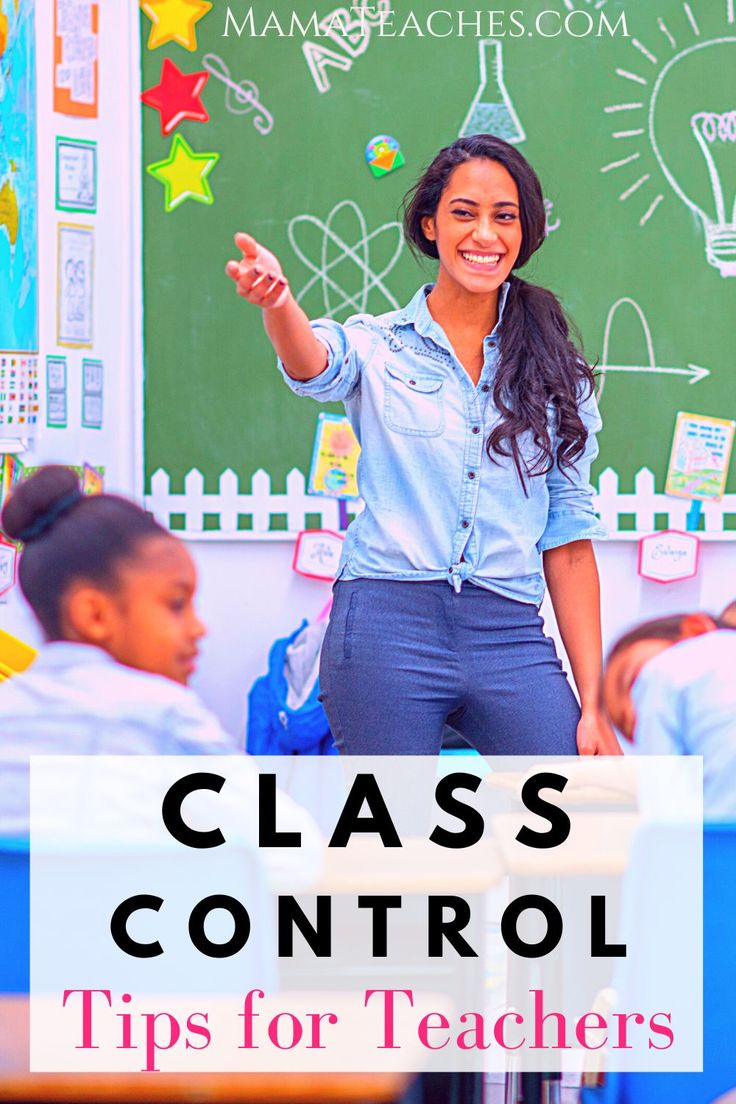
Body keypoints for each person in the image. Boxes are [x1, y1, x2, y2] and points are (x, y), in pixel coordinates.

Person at [226, 133, 618, 757]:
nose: (484, 235)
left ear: (525, 232)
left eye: (505, 217)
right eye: (464, 213)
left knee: (574, 822)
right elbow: (315, 364)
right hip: (386, 623)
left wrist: (592, 706)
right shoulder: (380, 345)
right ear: (431, 224)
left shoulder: (556, 372)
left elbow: (568, 544)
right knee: (395, 843)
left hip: (509, 630)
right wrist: (280, 305)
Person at [0, 466, 320, 883]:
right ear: (93, 615)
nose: (198, 627)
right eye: (175, 605)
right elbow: (293, 854)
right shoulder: (162, 716)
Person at [602, 612, 736, 818]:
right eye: (633, 730)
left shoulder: (660, 673)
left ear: (695, 630)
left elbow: (664, 810)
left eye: (632, 680)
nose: (633, 711)